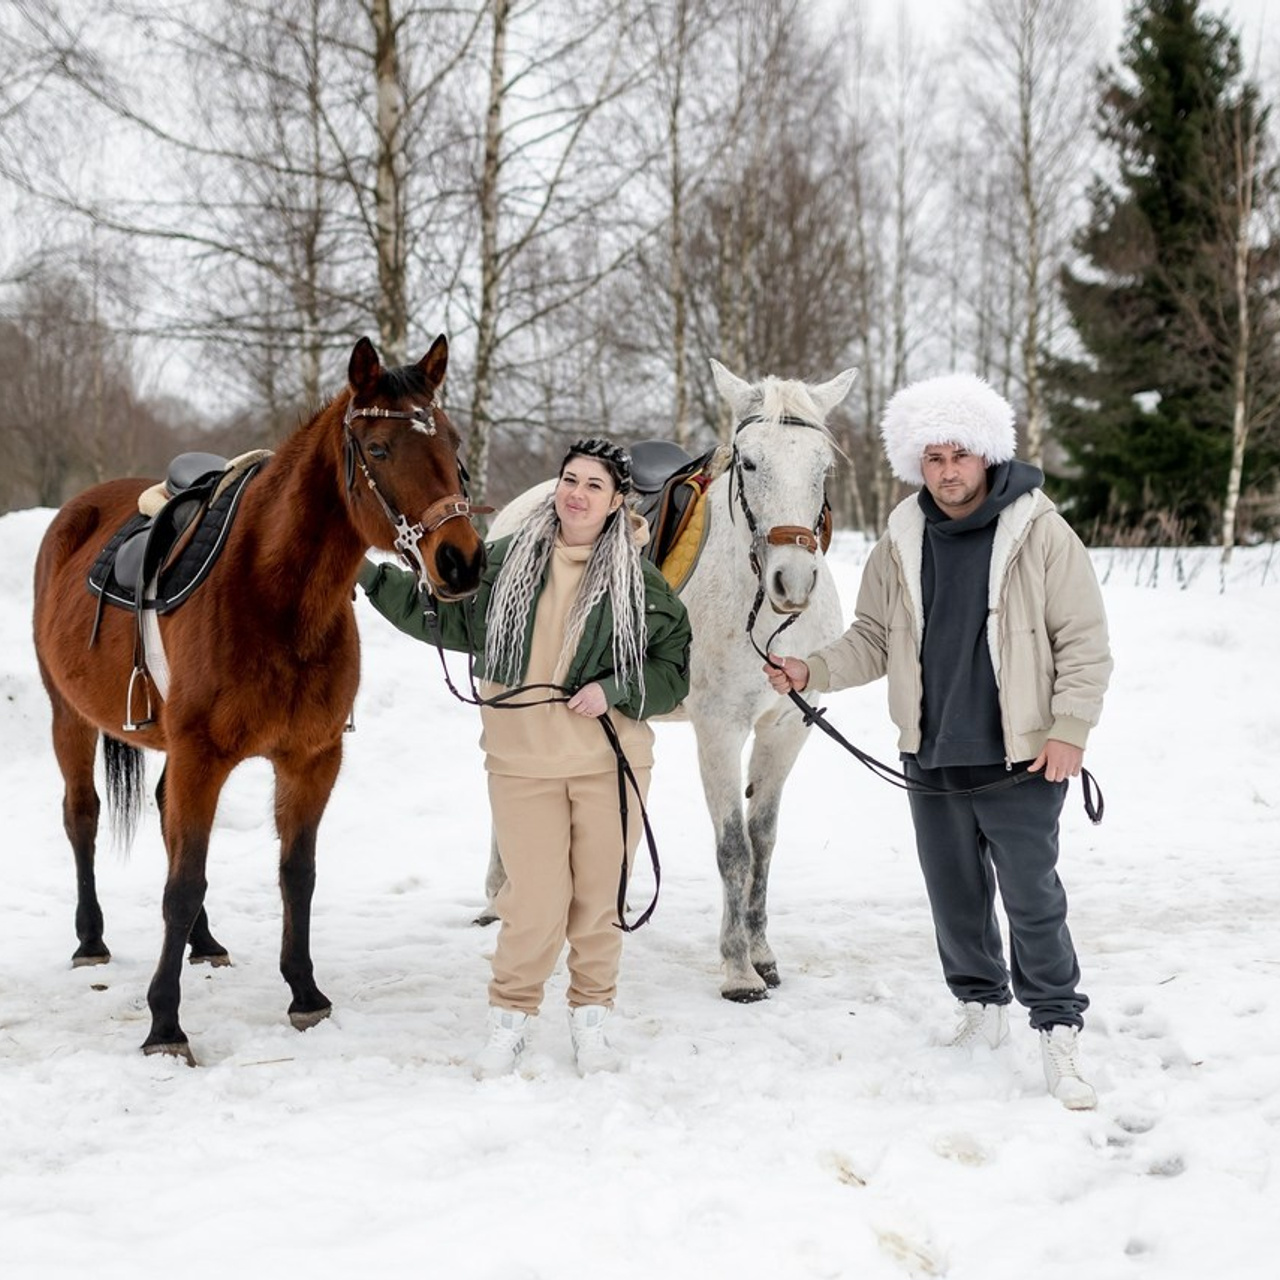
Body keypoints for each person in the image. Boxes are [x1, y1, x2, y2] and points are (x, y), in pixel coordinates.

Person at [764, 373, 1112, 1110]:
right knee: (955, 897)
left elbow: (1083, 640)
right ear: (915, 464)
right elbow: (873, 637)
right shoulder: (902, 535)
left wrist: (1070, 730)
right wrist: (810, 668)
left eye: (958, 454)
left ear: (985, 453)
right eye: (932, 458)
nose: (947, 471)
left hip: (1022, 756)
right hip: (932, 751)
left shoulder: (1039, 529)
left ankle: (1057, 1029)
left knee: (1032, 899)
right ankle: (981, 1006)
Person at [358, 437, 691, 1079]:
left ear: (619, 501)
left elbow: (674, 672)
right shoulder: (506, 560)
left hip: (609, 765)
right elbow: (449, 620)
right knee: (533, 902)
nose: (577, 493)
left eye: (595, 485)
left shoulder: (642, 583)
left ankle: (592, 1022)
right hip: (520, 763)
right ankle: (510, 1021)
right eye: (570, 479)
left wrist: (615, 689)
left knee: (597, 903)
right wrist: (370, 576)